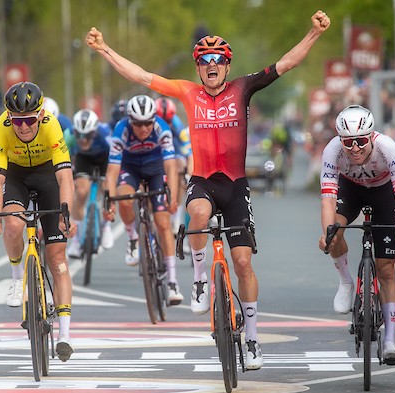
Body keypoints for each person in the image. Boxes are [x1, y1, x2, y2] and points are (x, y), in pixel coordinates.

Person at [86, 9, 331, 371]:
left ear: (227, 66)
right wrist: (105, 49)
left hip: (235, 185)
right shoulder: (187, 92)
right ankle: (200, 278)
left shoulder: (243, 87)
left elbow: (286, 64)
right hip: (202, 180)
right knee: (197, 214)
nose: (211, 65)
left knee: (243, 263)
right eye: (204, 60)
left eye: (218, 60)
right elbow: (139, 75)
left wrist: (313, 33)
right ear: (198, 68)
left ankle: (251, 338)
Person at [0, 81, 77, 362]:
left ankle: (65, 334)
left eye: (28, 120)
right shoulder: (2, 126)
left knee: (57, 259)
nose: (23, 127)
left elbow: (65, 177)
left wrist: (66, 214)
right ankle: (15, 278)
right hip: (17, 176)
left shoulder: (51, 125)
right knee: (12, 224)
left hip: (48, 174)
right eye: (17, 121)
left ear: (39, 114)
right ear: (10, 118)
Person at [318, 105, 395, 365]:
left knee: (386, 271)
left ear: (371, 136)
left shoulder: (389, 148)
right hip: (350, 190)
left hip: (383, 192)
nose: (354, 148)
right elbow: (328, 198)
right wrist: (327, 233)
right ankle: (346, 281)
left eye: (361, 141)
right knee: (334, 232)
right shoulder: (331, 151)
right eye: (348, 142)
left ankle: (390, 342)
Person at [105, 94, 183, 305]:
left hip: (156, 167)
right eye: (138, 124)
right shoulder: (121, 130)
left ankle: (173, 282)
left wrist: (173, 197)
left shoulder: (161, 129)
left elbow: (171, 167)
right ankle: (132, 238)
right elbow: (112, 171)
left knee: (163, 222)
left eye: (148, 122)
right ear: (130, 120)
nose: (143, 128)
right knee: (123, 197)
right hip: (130, 167)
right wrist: (109, 201)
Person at [65, 109, 115, 258]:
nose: (83, 140)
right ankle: (76, 241)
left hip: (105, 159)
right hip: (83, 159)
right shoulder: (68, 136)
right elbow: (61, 159)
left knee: (108, 188)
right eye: (78, 135)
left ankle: (106, 227)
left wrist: (110, 178)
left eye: (87, 136)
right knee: (80, 192)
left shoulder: (106, 135)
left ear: (94, 132)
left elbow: (117, 159)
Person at [155, 96, 193, 233]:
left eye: (168, 121)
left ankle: (175, 217)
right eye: (161, 120)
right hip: (156, 152)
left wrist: (188, 174)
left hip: (175, 151)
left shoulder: (177, 125)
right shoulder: (147, 125)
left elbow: (188, 153)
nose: (164, 125)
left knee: (178, 168)